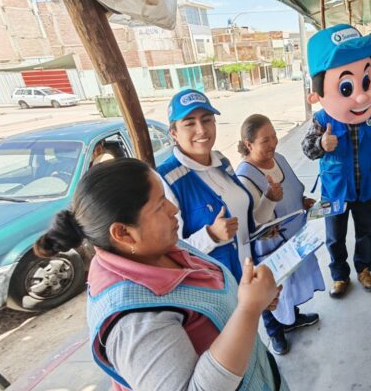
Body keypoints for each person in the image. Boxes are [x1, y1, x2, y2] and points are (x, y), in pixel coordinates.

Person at [33, 158, 286, 390]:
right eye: (159, 206)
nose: (173, 210)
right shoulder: (133, 324)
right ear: (123, 233)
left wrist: (250, 301)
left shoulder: (158, 246)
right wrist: (248, 310)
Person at [301, 24, 371, 299]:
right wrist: (322, 144)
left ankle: (364, 269)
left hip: (368, 186)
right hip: (333, 189)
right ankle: (339, 275)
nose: (360, 95)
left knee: (366, 232)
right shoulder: (322, 119)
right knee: (334, 237)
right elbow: (307, 148)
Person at [157, 89, 280, 283]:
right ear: (174, 133)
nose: (202, 130)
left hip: (247, 276)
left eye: (207, 120)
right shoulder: (166, 179)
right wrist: (211, 235)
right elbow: (170, 253)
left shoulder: (221, 161)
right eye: (189, 123)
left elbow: (245, 222)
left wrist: (269, 200)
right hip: (217, 289)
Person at [235, 114, 325, 355]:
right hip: (270, 248)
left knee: (291, 283)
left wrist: (302, 201)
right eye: (266, 140)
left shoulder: (279, 159)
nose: (273, 143)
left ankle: (292, 319)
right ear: (249, 144)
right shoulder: (244, 176)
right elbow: (249, 220)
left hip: (294, 238)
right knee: (269, 289)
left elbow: (291, 189)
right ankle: (275, 332)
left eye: (274, 136)